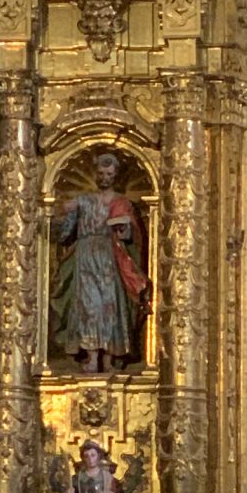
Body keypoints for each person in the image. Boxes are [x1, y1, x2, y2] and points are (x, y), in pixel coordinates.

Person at [50, 153, 149, 370]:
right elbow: (65, 233)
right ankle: (92, 356)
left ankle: (109, 356)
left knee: (109, 305)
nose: (104, 177)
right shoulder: (84, 201)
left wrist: (124, 229)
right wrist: (59, 218)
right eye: (101, 173)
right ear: (96, 175)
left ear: (115, 176)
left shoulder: (121, 202)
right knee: (88, 305)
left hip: (109, 255)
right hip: (86, 254)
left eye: (109, 174)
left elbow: (130, 236)